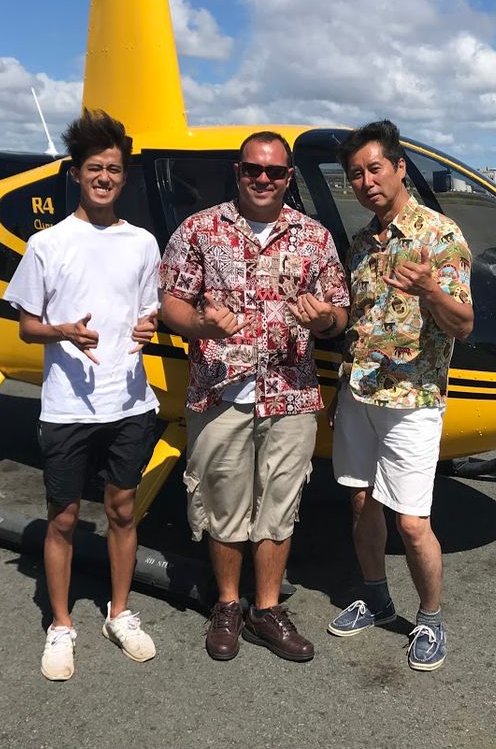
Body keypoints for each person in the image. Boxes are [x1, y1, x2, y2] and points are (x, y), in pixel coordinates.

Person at [159, 131, 349, 663]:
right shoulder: (199, 229)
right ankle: (227, 604)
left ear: (288, 177)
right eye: (253, 169)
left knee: (279, 504)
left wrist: (326, 320)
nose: (263, 179)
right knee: (224, 502)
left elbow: (339, 310)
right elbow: (171, 301)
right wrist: (199, 324)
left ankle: (265, 610)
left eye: (274, 171)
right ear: (237, 172)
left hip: (291, 394)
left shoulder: (314, 237)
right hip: (220, 392)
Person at [4, 109, 161, 682]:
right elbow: (27, 326)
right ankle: (61, 624)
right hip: (68, 405)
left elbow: (149, 312)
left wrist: (149, 327)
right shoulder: (47, 243)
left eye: (113, 169)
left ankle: (119, 614)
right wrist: (63, 331)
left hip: (129, 401)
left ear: (124, 177)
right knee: (64, 517)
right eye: (94, 167)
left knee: (122, 510)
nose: (104, 177)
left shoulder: (142, 242)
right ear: (76, 173)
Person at [326, 119, 474, 672]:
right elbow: (356, 321)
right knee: (361, 503)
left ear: (399, 168)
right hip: (359, 394)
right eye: (355, 174)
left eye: (375, 169)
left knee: (412, 523)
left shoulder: (440, 235)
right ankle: (376, 598)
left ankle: (430, 618)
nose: (366, 182)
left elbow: (462, 325)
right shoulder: (362, 243)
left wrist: (431, 289)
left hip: (412, 401)